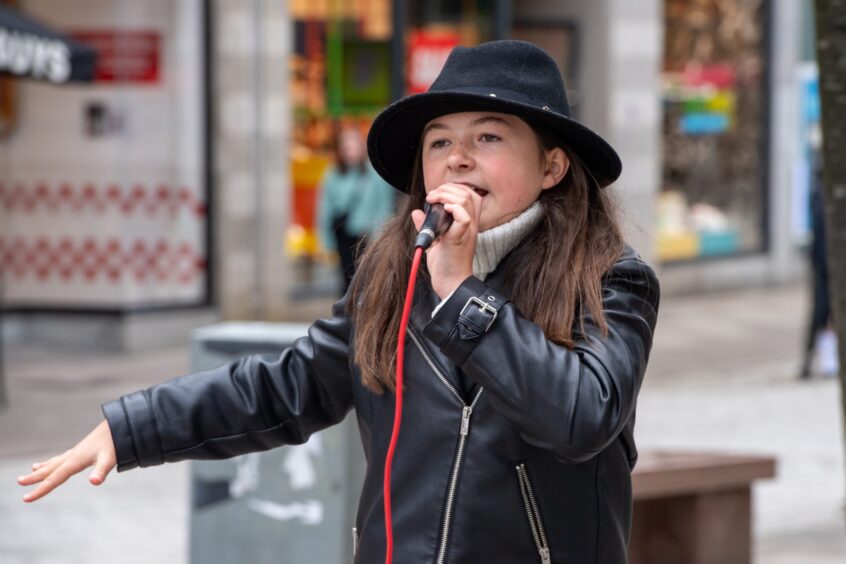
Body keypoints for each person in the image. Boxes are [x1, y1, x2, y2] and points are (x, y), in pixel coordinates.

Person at [18, 41, 660, 563]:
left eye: (489, 138)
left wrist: (459, 291)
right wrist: (133, 427)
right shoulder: (391, 274)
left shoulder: (609, 279)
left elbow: (582, 417)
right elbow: (285, 386)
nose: (457, 159)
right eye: (439, 143)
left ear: (552, 167)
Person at [317, 122, 395, 294]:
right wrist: (325, 241)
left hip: (367, 236)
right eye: (347, 147)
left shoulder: (374, 174)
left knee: (366, 280)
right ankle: (346, 317)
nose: (350, 151)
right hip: (342, 234)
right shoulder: (333, 174)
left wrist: (379, 235)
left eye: (354, 146)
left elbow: (383, 206)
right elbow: (325, 208)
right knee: (345, 281)